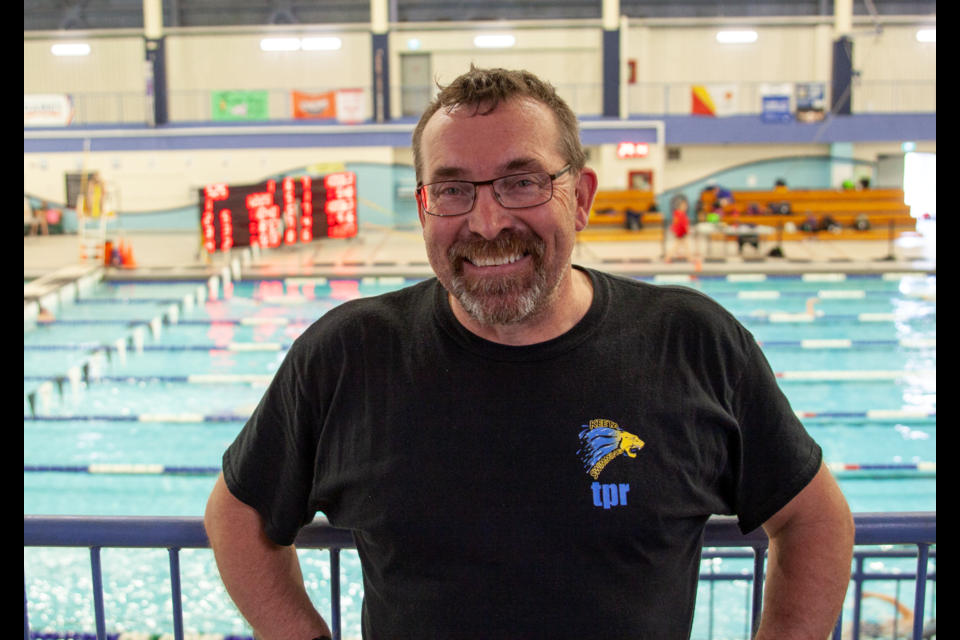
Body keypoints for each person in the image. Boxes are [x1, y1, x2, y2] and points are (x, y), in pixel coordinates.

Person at [205, 66, 854, 640]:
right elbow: (238, 515)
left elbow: (812, 519)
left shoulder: (692, 342)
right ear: (425, 208)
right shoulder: (347, 354)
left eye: (522, 183)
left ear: (584, 198)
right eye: (454, 189)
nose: (487, 223)